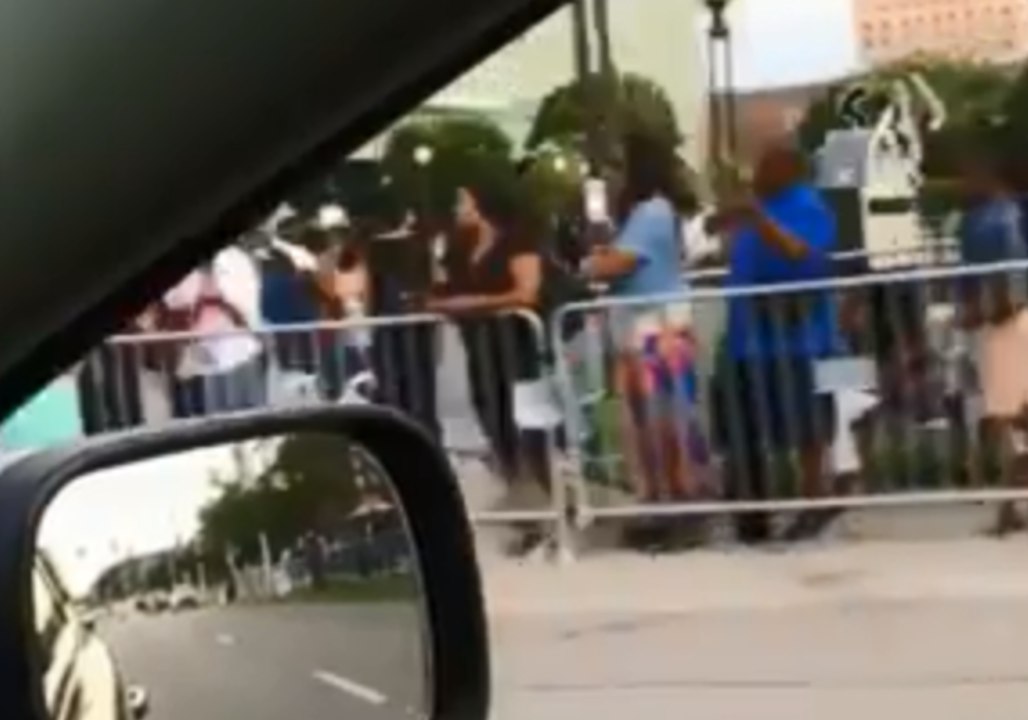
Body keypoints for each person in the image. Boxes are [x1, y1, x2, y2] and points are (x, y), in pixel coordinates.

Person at [581, 131, 711, 549]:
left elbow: (620, 262)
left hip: (658, 329)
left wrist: (589, 265)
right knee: (644, 422)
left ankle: (681, 505)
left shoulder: (653, 211)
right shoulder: (646, 213)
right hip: (642, 328)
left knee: (664, 422)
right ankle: (659, 504)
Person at [709, 142, 840, 544]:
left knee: (807, 428)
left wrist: (758, 219)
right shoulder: (757, 212)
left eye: (763, 167)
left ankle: (815, 502)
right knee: (746, 429)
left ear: (786, 169)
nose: (756, 176)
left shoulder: (807, 207)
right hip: (748, 341)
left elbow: (803, 254)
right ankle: (752, 513)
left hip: (797, 340)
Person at [427, 179, 550, 555]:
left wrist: (474, 303)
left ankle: (544, 509)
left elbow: (527, 292)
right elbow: (443, 290)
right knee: (495, 427)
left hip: (515, 344)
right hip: (480, 348)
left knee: (526, 430)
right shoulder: (460, 248)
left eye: (464, 200)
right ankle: (524, 511)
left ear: (483, 204)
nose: (458, 208)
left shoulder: (518, 241)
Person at [955, 141, 1028, 534]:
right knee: (1012, 415)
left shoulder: (993, 220)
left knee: (1008, 415)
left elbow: (1006, 278)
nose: (962, 184)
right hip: (1004, 321)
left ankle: (1008, 509)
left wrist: (988, 310)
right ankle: (1009, 507)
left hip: (1003, 325)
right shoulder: (998, 216)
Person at [161, 245, 267, 418]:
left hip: (231, 343)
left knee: (237, 401)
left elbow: (247, 298)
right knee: (221, 402)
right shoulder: (230, 261)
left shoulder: (233, 260)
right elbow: (174, 299)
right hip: (211, 346)